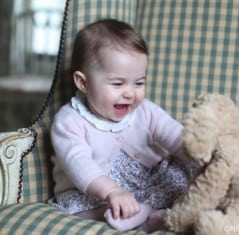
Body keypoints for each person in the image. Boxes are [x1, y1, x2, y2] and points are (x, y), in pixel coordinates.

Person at [49, 19, 196, 232]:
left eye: (139, 83)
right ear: (83, 82)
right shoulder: (69, 121)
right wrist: (112, 192)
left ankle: (171, 210)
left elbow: (173, 134)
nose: (129, 93)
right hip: (95, 191)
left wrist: (198, 153)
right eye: (118, 83)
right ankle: (141, 217)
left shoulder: (144, 110)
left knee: (186, 173)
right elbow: (78, 163)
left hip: (147, 179)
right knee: (81, 209)